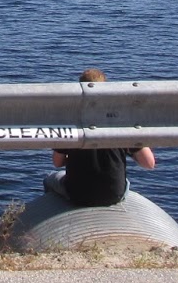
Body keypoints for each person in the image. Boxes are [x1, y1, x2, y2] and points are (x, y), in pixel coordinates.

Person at [43, 68, 156, 207]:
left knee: (49, 179)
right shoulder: (122, 121)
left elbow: (57, 162)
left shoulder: (72, 119)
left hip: (78, 194)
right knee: (125, 182)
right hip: (114, 194)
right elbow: (149, 164)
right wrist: (129, 150)